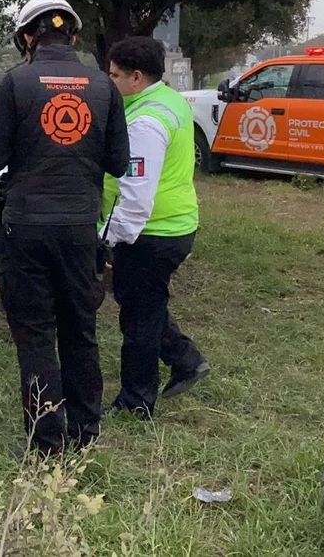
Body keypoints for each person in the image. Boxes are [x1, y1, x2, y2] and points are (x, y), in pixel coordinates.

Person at [0, 0, 129, 455]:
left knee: (36, 336)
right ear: (74, 35)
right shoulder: (104, 87)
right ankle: (85, 432)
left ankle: (47, 442)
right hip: (81, 229)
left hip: (25, 230)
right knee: (80, 331)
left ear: (28, 37)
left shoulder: (17, 82)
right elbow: (119, 163)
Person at [99, 37, 210, 418]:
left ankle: (136, 402)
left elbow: (136, 195)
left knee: (138, 320)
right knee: (144, 303)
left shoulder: (145, 121)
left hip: (150, 232)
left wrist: (110, 239)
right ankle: (186, 359)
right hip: (171, 225)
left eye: (113, 74)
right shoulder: (169, 100)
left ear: (136, 76)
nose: (108, 80)